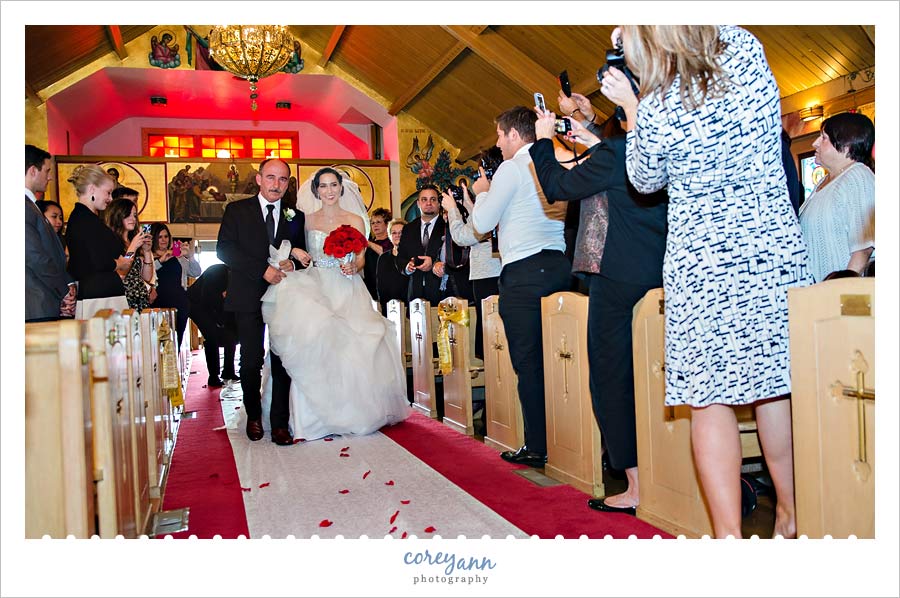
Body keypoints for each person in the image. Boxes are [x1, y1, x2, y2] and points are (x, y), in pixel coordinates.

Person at [602, 25, 812, 538]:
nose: (617, 30)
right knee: (775, 387)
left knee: (708, 398)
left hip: (703, 259)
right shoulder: (744, 48)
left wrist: (633, 104)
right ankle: (789, 515)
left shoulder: (655, 101)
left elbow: (646, 179)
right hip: (769, 244)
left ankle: (728, 541)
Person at [529, 84, 668, 514]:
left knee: (611, 378)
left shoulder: (615, 155)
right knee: (655, 375)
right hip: (659, 271)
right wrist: (588, 133)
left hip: (615, 277)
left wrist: (542, 139)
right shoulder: (656, 151)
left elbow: (556, 185)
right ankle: (668, 472)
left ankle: (635, 485)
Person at [260, 167, 410, 441]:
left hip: (347, 286)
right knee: (316, 340)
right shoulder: (305, 220)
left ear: (342, 188)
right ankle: (313, 416)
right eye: (324, 186)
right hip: (317, 285)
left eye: (334, 185)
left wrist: (355, 265)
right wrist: (296, 253)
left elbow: (362, 258)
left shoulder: (354, 219)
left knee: (355, 344)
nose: (329, 191)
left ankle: (353, 411)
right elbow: (290, 247)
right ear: (316, 190)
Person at [469, 106, 570, 468]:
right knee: (563, 361)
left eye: (499, 134)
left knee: (529, 363)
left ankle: (539, 445)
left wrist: (481, 191)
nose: (498, 142)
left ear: (514, 134)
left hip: (525, 273)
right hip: (559, 266)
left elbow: (481, 222)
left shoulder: (512, 168)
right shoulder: (554, 159)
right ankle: (574, 443)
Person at [217, 158, 306, 446]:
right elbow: (224, 250)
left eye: (282, 180)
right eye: (270, 177)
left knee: (281, 359)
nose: (276, 185)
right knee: (251, 360)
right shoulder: (237, 211)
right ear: (258, 179)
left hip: (284, 298)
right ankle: (254, 416)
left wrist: (295, 264)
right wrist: (261, 270)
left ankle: (279, 423)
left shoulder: (296, 216)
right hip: (247, 295)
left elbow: (302, 256)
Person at [799, 112, 875, 281]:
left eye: (823, 137)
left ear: (847, 145)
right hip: (821, 293)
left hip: (841, 298)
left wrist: (841, 293)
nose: (815, 143)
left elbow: (863, 248)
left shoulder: (858, 176)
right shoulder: (825, 181)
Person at [440, 182, 501, 360]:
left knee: (491, 330)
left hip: (488, 273)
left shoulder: (495, 203)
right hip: (488, 271)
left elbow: (463, 236)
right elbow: (479, 222)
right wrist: (468, 202)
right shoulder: (496, 203)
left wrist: (452, 209)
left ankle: (495, 374)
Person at [65, 165, 130, 319]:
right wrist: (119, 264)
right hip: (98, 296)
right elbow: (96, 261)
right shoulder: (84, 219)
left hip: (101, 292)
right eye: (108, 192)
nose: (110, 198)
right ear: (92, 189)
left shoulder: (88, 218)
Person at [25, 145, 74, 322]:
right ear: (32, 171)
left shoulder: (31, 206)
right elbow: (34, 256)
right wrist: (63, 289)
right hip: (35, 300)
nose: (50, 177)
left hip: (44, 297)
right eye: (46, 171)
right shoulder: (24, 206)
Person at [187, 264, 238, 388]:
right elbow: (207, 299)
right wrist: (219, 320)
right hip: (196, 304)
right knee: (212, 336)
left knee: (230, 332)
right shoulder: (216, 272)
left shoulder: (237, 276)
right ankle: (213, 376)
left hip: (218, 304)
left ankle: (229, 371)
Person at [396, 186, 447, 305]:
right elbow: (400, 257)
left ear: (439, 203)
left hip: (441, 291)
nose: (428, 203)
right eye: (424, 199)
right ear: (418, 203)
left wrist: (434, 263)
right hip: (415, 291)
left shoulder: (447, 226)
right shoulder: (409, 228)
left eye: (433, 199)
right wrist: (407, 267)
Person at [103, 197, 153, 311]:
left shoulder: (133, 240)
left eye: (134, 215)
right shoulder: (111, 241)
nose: (133, 219)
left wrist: (147, 251)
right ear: (117, 215)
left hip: (140, 298)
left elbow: (146, 277)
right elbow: (121, 274)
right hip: (123, 300)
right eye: (128, 215)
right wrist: (133, 247)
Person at [375, 218, 409, 313]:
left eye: (401, 232)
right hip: (389, 308)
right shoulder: (383, 258)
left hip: (409, 308)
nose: (397, 235)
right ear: (389, 236)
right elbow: (380, 286)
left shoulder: (412, 257)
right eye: (394, 233)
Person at [363, 207, 393, 302]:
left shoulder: (391, 241)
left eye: (378, 222)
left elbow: (386, 255)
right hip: (370, 284)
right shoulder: (369, 242)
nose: (375, 225)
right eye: (372, 223)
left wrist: (368, 244)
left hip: (387, 284)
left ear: (387, 224)